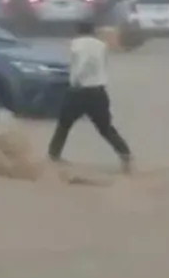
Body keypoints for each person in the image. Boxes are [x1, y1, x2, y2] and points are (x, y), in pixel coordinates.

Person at [47, 20, 132, 172]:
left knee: (64, 125)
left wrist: (76, 79)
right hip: (98, 92)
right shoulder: (102, 45)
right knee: (105, 128)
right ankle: (125, 155)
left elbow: (82, 64)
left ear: (78, 31)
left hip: (78, 91)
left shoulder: (75, 44)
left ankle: (53, 156)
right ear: (93, 31)